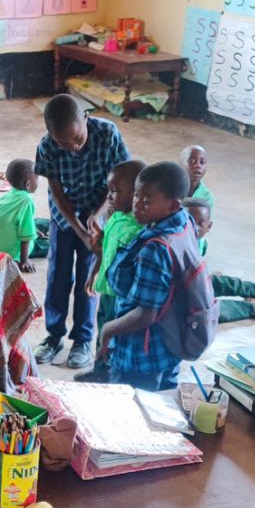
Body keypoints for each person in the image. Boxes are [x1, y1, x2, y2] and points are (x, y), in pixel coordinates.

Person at [33, 94, 130, 370]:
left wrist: (98, 216)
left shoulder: (108, 134)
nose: (73, 147)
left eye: (77, 139)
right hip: (64, 217)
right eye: (64, 143)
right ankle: (54, 335)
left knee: (90, 276)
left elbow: (120, 182)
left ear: (86, 118)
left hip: (100, 210)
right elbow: (57, 193)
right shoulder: (47, 146)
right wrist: (77, 227)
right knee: (58, 274)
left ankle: (83, 340)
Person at [96, 161, 198, 391]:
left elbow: (145, 315)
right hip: (170, 344)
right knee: (161, 402)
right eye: (136, 195)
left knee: (129, 406)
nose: (137, 204)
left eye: (147, 200)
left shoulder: (154, 248)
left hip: (140, 355)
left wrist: (108, 330)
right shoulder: (184, 222)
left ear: (173, 205)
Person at [76, 159, 146, 383]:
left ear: (136, 193)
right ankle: (100, 370)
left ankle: (113, 376)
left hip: (122, 299)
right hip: (107, 291)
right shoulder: (115, 217)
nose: (109, 197)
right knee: (103, 330)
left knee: (116, 337)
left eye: (115, 191)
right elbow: (104, 250)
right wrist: (93, 273)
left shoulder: (139, 229)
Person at [0, 158, 47, 273]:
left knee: (37, 222)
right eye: (37, 179)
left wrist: (34, 230)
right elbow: (25, 236)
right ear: (28, 184)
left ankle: (36, 230)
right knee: (50, 246)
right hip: (10, 250)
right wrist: (24, 261)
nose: (38, 182)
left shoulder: (7, 195)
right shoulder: (26, 201)